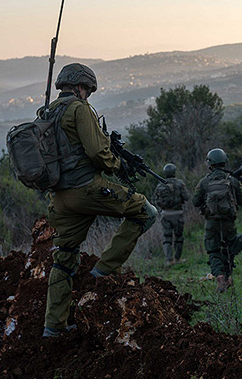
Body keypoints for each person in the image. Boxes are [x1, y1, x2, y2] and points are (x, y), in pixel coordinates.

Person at [43, 63, 158, 338]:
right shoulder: (79, 109)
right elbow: (97, 153)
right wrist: (119, 166)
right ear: (81, 87)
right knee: (145, 212)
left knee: (64, 258)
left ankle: (54, 327)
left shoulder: (48, 113)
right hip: (87, 189)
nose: (89, 95)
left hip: (59, 198)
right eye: (88, 90)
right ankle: (103, 272)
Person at [192, 148, 242, 292]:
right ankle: (227, 277)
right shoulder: (233, 180)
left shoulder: (204, 182)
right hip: (229, 222)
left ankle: (219, 277)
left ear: (210, 163)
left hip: (211, 222)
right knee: (229, 249)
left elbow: (195, 201)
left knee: (213, 250)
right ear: (224, 161)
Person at [152, 163, 190, 265]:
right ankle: (177, 259)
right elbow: (186, 197)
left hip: (165, 215)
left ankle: (169, 260)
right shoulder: (180, 183)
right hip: (178, 214)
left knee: (167, 238)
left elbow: (156, 200)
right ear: (174, 172)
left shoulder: (160, 185)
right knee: (179, 237)